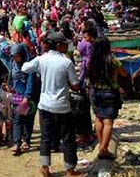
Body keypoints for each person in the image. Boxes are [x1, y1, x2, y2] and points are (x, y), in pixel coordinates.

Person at [22, 32, 83, 177]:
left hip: (44, 105)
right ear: (58, 45)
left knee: (45, 137)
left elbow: (25, 68)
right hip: (62, 106)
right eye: (64, 44)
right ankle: (70, 169)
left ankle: (45, 168)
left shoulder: (41, 59)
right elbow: (75, 85)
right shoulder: (66, 62)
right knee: (68, 138)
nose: (66, 46)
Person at [88, 37, 128, 160]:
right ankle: (103, 149)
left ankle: (102, 146)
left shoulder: (92, 61)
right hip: (110, 92)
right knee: (108, 122)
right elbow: (124, 74)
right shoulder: (113, 61)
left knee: (98, 119)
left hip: (95, 91)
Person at [9, 43, 36, 155]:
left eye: (17, 56)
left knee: (27, 119)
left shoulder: (28, 67)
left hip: (27, 97)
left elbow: (30, 83)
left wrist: (27, 97)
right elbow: (11, 78)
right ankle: (16, 143)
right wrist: (9, 87)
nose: (15, 58)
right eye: (13, 56)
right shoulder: (13, 65)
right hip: (17, 96)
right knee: (17, 119)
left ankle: (26, 140)